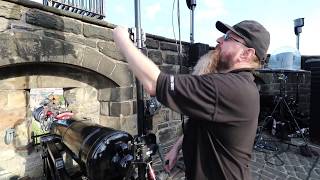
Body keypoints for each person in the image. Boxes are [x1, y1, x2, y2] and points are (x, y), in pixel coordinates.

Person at [113, 20, 270, 180]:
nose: (219, 40)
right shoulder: (237, 83)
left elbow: (154, 84)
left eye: (228, 37)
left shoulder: (229, 88)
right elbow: (202, 120)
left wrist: (123, 41)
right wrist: (176, 148)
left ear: (246, 54)